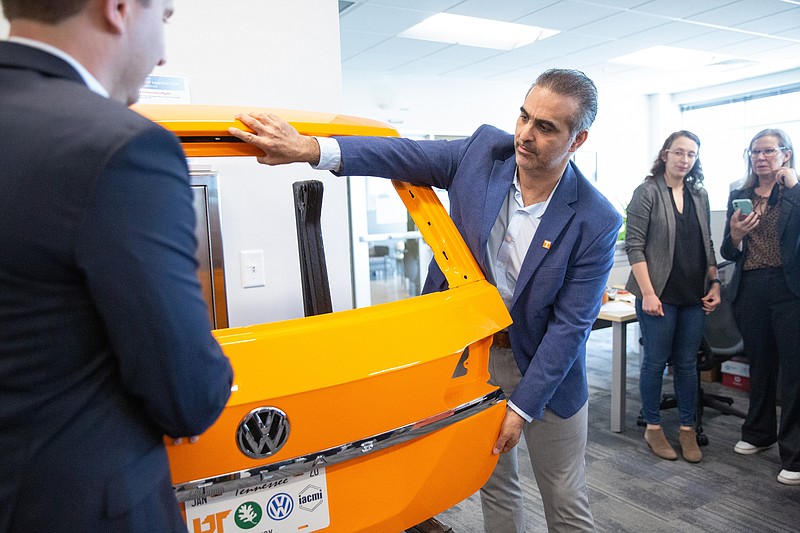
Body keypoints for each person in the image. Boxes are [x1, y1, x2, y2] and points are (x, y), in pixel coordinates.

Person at [229, 69, 622, 532]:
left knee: (564, 498)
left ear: (577, 141)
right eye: (523, 116)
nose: (524, 134)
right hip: (476, 357)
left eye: (545, 127)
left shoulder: (596, 219)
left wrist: (521, 409)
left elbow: (570, 329)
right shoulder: (482, 152)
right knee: (493, 482)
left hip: (547, 372)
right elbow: (400, 153)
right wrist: (310, 149)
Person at [0, 1, 234, 531]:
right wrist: (182, 394)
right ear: (120, 9)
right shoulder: (123, 147)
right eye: (166, 18)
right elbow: (189, 395)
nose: (163, 54)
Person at [624, 131, 720, 463]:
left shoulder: (699, 194)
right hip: (658, 295)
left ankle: (686, 430)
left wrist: (715, 283)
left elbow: (707, 243)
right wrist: (648, 294)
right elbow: (634, 245)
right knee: (654, 363)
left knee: (687, 365)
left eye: (691, 154)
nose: (685, 159)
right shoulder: (647, 192)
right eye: (679, 152)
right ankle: (652, 427)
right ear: (665, 154)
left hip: (693, 296)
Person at [720, 128, 800, 486]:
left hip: (789, 288)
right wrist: (736, 234)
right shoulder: (740, 194)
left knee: (793, 372)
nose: (761, 157)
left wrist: (795, 187)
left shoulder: (794, 192)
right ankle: (758, 432)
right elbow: (729, 250)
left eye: (769, 151)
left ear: (786, 154)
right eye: (755, 152)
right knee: (761, 365)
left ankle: (795, 452)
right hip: (751, 286)